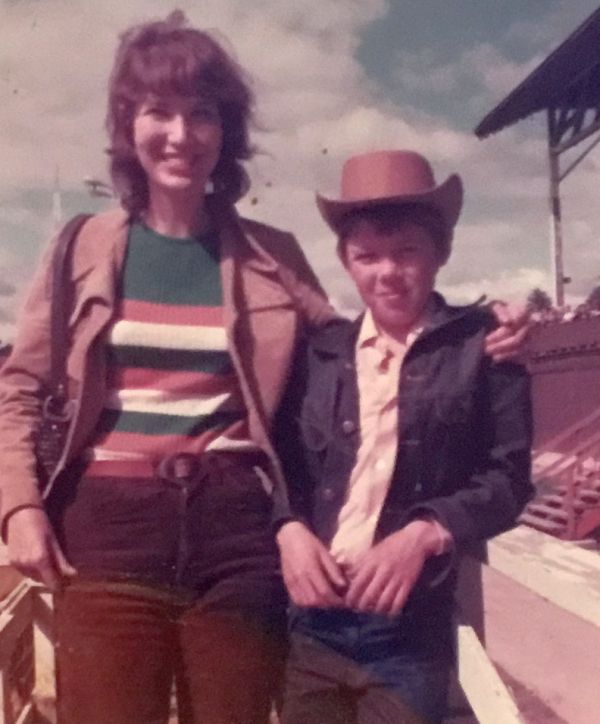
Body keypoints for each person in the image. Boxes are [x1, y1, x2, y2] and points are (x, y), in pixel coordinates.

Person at [0, 13, 527, 724]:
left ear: (226, 131)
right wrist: (20, 505)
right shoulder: (79, 247)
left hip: (237, 534)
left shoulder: (271, 255)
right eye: (159, 112)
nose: (181, 134)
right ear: (128, 124)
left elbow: (361, 341)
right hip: (107, 529)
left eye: (202, 114)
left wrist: (483, 330)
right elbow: (21, 386)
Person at [274, 149, 534, 724]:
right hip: (312, 626)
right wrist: (287, 527)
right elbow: (281, 464)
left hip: (409, 633)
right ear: (346, 262)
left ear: (441, 253)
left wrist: (423, 532)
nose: (387, 272)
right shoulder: (316, 356)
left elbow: (510, 480)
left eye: (407, 252)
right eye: (367, 256)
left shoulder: (486, 349)